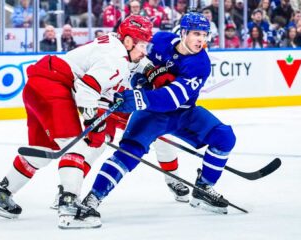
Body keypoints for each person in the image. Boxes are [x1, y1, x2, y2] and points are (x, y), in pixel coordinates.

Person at [0, 15, 153, 229]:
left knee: (42, 150)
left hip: (37, 86)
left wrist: (144, 69)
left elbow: (102, 84)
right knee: (78, 148)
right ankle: (69, 208)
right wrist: (96, 124)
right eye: (143, 44)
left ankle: (0, 194)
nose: (145, 51)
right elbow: (88, 89)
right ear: (128, 41)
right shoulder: (117, 59)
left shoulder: (113, 42)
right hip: (54, 87)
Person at [82, 12, 236, 219]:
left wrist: (139, 96)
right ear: (183, 33)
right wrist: (138, 81)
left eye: (204, 35)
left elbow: (172, 98)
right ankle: (94, 197)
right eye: (196, 34)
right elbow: (135, 60)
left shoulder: (200, 63)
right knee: (129, 152)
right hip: (151, 114)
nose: (201, 40)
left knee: (224, 137)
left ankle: (203, 189)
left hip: (183, 113)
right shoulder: (161, 40)